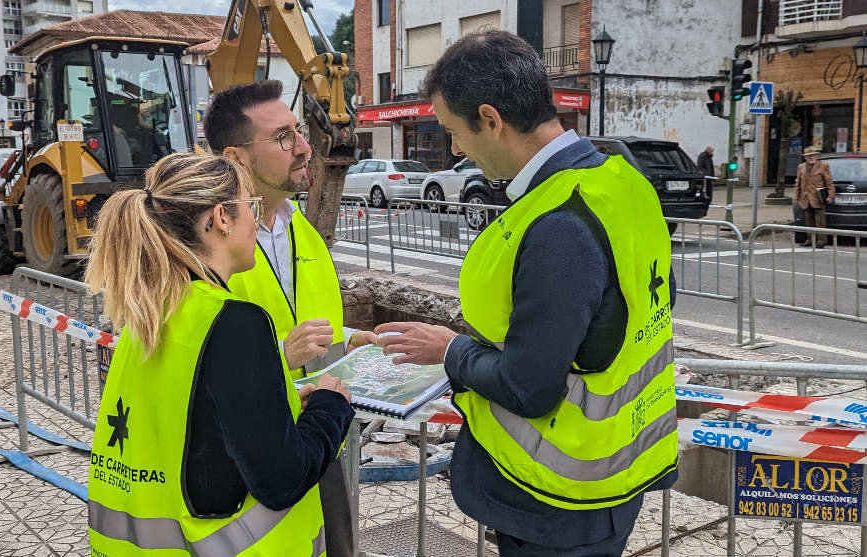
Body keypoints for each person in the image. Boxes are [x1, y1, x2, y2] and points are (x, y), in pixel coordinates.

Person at [375, 31, 679, 556]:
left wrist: (449, 349)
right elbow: (654, 298)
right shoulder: (623, 181)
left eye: (452, 132)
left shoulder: (557, 225)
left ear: (491, 120)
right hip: (619, 470)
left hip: (557, 499)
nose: (454, 149)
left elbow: (527, 388)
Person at [85, 151, 354, 556]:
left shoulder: (150, 311)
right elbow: (282, 480)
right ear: (221, 218)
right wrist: (331, 407)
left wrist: (276, 406)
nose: (256, 221)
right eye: (252, 206)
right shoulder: (233, 321)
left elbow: (186, 427)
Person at [206, 80, 374, 556]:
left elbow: (311, 323)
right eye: (283, 137)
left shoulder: (302, 230)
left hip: (318, 439)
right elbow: (188, 360)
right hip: (247, 460)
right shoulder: (202, 247)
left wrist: (354, 338)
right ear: (236, 158)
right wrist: (280, 355)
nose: (304, 147)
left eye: (298, 130)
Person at [793, 146, 835, 248]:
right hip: (805, 198)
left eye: (812, 155)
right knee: (808, 221)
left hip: (818, 197)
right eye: (808, 156)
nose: (811, 157)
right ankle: (810, 239)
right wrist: (795, 197)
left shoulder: (823, 165)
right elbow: (798, 183)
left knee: (820, 221)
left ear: (816, 155)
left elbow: (829, 182)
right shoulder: (801, 167)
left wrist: (830, 195)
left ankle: (821, 241)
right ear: (805, 157)